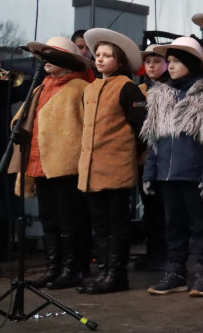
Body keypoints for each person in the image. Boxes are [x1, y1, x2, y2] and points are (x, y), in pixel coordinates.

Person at [142, 37, 203, 297]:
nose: (170, 66)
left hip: (194, 173)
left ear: (191, 63)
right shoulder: (160, 95)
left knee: (201, 225)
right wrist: (149, 172)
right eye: (169, 61)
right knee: (173, 226)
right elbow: (153, 138)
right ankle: (175, 271)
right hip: (167, 175)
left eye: (177, 61)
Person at [10, 37, 91, 289]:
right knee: (49, 218)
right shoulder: (40, 87)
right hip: (40, 162)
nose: (46, 61)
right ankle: (53, 268)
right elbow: (22, 119)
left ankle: (72, 269)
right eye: (44, 56)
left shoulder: (80, 87)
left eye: (52, 56)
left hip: (65, 164)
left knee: (69, 219)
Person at [77, 29, 147, 294]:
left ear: (119, 61)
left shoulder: (127, 88)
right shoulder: (90, 89)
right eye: (98, 54)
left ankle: (116, 275)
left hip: (116, 168)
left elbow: (142, 128)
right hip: (91, 169)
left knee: (116, 223)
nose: (100, 59)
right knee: (100, 224)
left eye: (107, 55)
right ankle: (105, 272)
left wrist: (131, 155)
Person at [134, 47, 170, 272]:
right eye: (148, 61)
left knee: (163, 209)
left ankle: (166, 256)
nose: (151, 65)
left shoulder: (171, 90)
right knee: (150, 209)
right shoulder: (141, 91)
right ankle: (153, 253)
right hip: (144, 158)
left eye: (157, 61)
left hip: (164, 158)